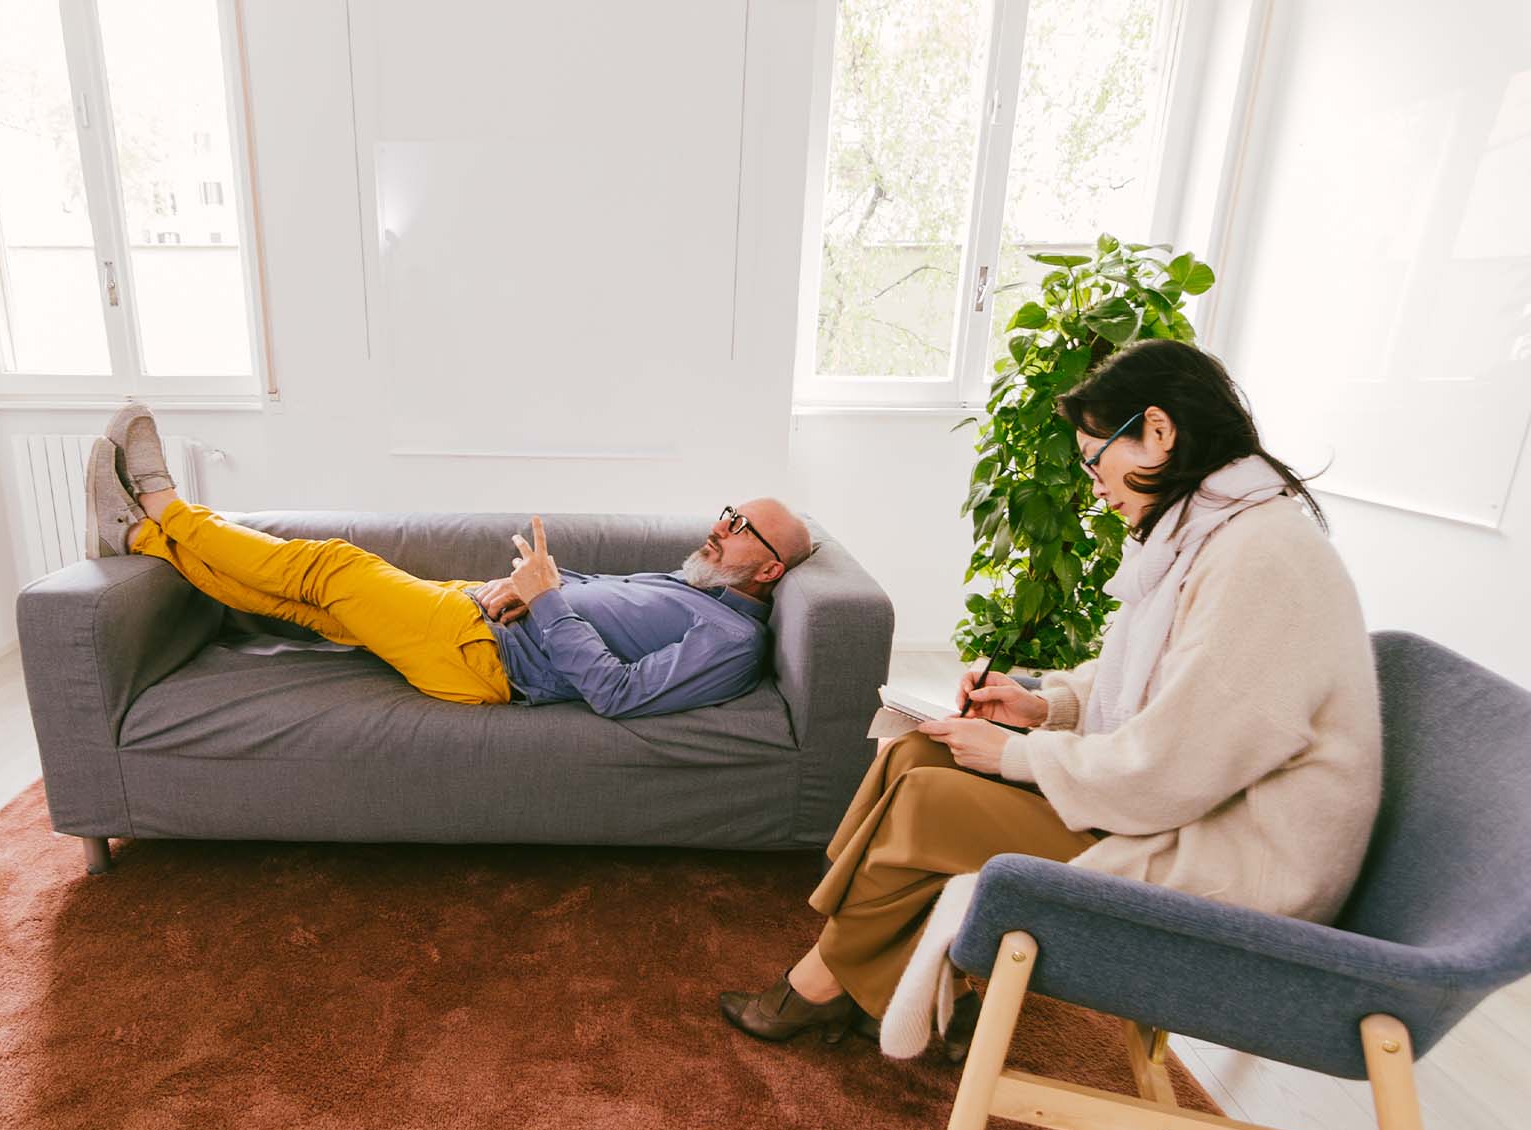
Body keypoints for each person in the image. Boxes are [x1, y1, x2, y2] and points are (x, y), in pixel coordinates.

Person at [720, 338, 1383, 1049]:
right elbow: (1167, 682)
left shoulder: (1261, 558)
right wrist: (1043, 705)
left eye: (1096, 457)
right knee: (916, 755)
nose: (1094, 482)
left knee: (929, 800)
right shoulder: (1210, 534)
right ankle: (866, 978)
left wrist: (1012, 755)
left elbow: (1172, 769)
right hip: (1188, 813)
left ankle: (823, 984)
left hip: (1231, 868)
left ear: (1157, 431)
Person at [83, 404, 815, 720]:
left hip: (481, 659)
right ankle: (140, 541)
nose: (721, 526)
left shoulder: (732, 643)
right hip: (485, 616)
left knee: (334, 569)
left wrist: (547, 597)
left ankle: (164, 507)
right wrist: (525, 589)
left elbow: (619, 693)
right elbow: (596, 615)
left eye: (743, 527)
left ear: (773, 570)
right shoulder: (698, 585)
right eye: (728, 511)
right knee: (303, 606)